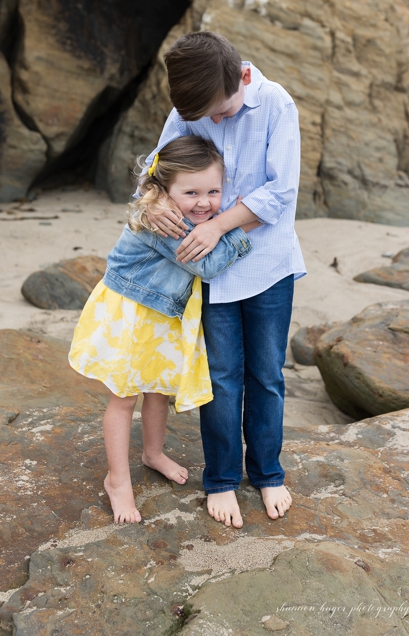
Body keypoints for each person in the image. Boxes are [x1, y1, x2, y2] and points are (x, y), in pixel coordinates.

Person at [140, 31, 306, 528]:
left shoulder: (276, 103)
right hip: (210, 274)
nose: (211, 120)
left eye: (220, 110)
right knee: (220, 379)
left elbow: (280, 194)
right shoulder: (192, 109)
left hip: (269, 265)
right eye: (202, 115)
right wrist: (155, 204)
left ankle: (269, 473)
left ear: (242, 78)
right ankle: (221, 479)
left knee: (267, 377)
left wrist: (215, 224)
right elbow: (154, 169)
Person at [70, 137, 254, 523]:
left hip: (162, 315)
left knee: (157, 389)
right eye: (191, 192)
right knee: (123, 397)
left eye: (213, 192)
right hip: (133, 314)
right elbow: (206, 265)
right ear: (165, 191)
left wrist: (222, 221)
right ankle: (117, 480)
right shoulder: (166, 220)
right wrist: (240, 224)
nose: (204, 203)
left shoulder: (181, 212)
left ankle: (152, 453)